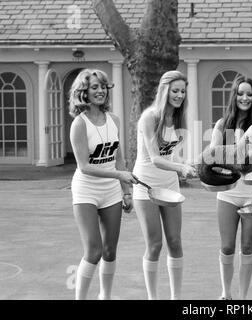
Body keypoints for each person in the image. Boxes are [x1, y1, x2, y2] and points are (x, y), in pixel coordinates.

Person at [69, 68, 137, 300]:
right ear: (84, 92)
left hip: (111, 192)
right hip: (86, 190)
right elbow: (84, 166)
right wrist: (120, 177)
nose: (100, 91)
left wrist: (126, 193)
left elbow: (118, 159)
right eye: (94, 87)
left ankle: (105, 297)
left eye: (103, 87)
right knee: (94, 250)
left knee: (109, 251)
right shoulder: (79, 124)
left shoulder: (114, 120)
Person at [132, 70, 196, 300]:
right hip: (145, 187)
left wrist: (187, 165)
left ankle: (176, 298)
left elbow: (172, 156)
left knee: (175, 241)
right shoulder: (149, 117)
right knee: (155, 244)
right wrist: (181, 170)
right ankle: (152, 298)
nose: (179, 95)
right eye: (175, 90)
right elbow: (156, 158)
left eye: (182, 91)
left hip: (169, 186)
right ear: (164, 90)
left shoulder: (179, 119)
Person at [210, 76, 252, 300]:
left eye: (249, 94)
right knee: (228, 246)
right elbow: (212, 154)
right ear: (234, 95)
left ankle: (242, 298)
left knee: (248, 247)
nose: (245, 98)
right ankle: (226, 293)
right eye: (240, 93)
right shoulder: (222, 125)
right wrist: (238, 158)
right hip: (228, 193)